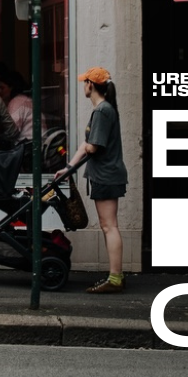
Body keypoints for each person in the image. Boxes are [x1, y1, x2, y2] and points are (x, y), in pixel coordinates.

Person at [59, 66, 128, 294]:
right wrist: (69, 168)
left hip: (106, 176)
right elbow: (85, 144)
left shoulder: (102, 111)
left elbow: (93, 146)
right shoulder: (102, 110)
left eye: (85, 82)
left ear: (91, 84)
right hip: (106, 175)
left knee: (109, 226)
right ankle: (115, 275)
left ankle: (116, 278)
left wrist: (86, 148)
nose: (83, 86)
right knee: (109, 225)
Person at [0, 69, 34, 142]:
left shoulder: (17, 102)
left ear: (12, 87)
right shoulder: (24, 99)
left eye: (2, 88)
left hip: (28, 146)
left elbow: (11, 132)